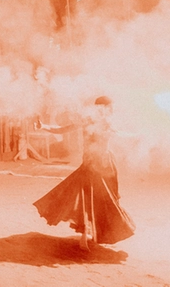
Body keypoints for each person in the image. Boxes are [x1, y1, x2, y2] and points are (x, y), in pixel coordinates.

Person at [34, 96, 135, 251]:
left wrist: (136, 136)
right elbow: (63, 129)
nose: (112, 110)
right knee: (88, 200)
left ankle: (93, 234)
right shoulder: (88, 121)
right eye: (110, 107)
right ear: (102, 107)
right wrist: (43, 126)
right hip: (92, 166)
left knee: (105, 200)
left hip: (106, 165)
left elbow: (120, 135)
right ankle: (84, 238)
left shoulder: (107, 123)